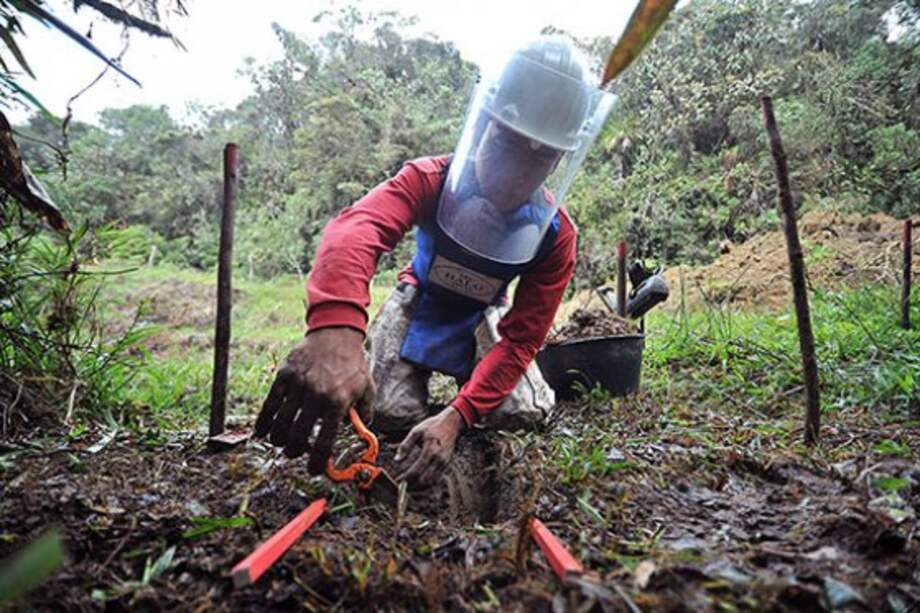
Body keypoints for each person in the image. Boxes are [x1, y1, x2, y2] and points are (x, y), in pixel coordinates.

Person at [254, 35, 615, 489]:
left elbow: (522, 339)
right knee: (388, 412)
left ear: (561, 159)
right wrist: (335, 334)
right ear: (484, 122)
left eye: (541, 157)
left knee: (523, 410)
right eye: (507, 142)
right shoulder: (428, 180)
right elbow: (356, 230)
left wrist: (456, 417)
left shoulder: (555, 236)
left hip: (487, 315)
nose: (517, 173)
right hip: (419, 297)